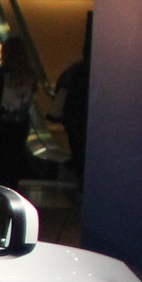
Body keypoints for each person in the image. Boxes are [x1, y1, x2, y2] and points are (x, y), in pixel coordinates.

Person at [53, 17, 93, 178]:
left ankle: (81, 182)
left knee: (78, 151)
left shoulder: (74, 72)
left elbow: (61, 89)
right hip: (81, 120)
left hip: (74, 119)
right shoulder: (95, 75)